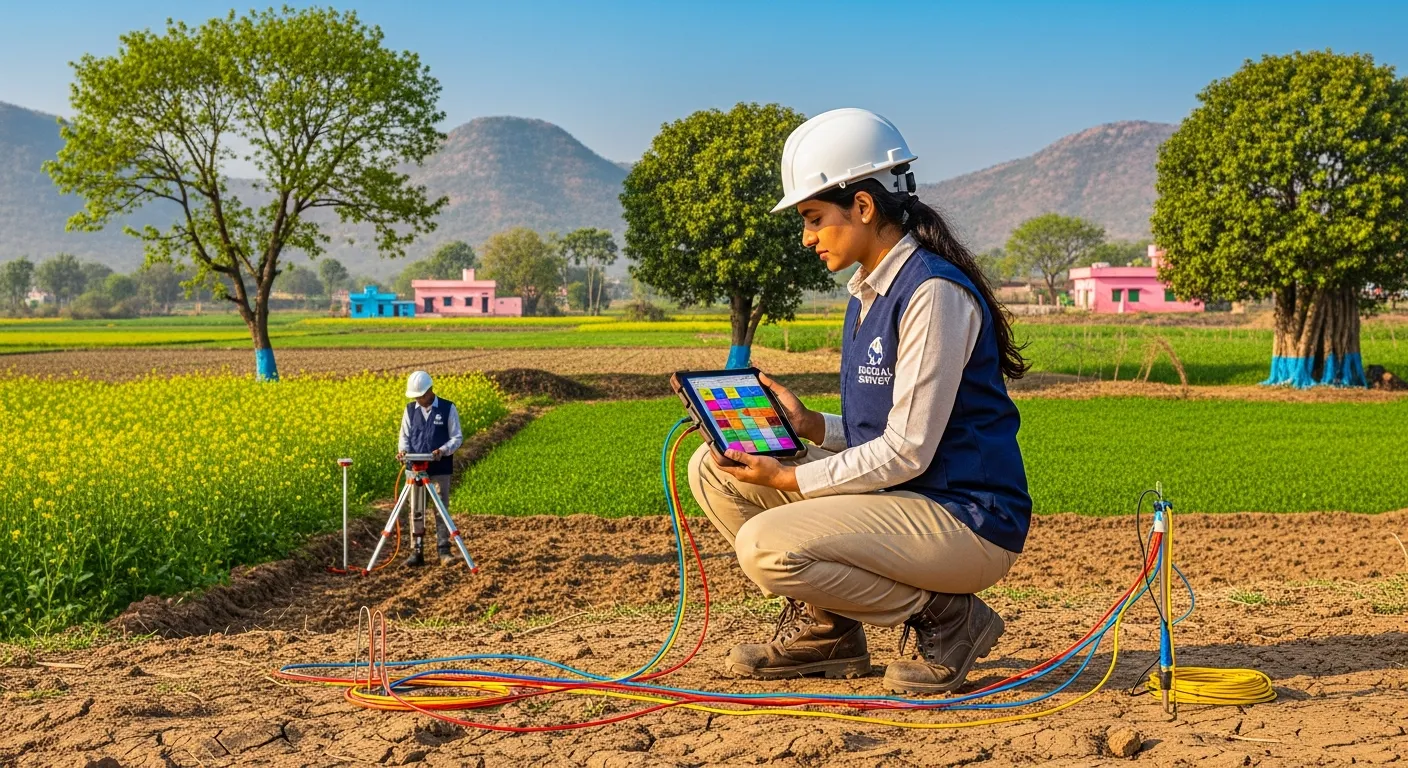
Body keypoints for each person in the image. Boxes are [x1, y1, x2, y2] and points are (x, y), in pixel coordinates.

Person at [687, 108, 1032, 695]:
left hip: (964, 517)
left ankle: (949, 617)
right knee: (714, 472)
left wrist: (790, 480)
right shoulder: (868, 291)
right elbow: (885, 430)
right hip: (906, 498)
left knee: (766, 546)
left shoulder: (931, 293)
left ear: (864, 207)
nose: (807, 237)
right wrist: (812, 425)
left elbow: (906, 451)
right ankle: (834, 631)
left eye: (814, 219)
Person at [396, 370, 464, 567]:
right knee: (416, 510)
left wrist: (442, 450)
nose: (419, 399)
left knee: (440, 509)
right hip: (414, 468)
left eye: (422, 395)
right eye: (416, 396)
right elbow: (404, 437)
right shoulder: (410, 410)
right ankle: (416, 552)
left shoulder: (447, 408)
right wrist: (403, 452)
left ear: (430, 391)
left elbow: (456, 437)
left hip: (440, 468)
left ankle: (444, 550)